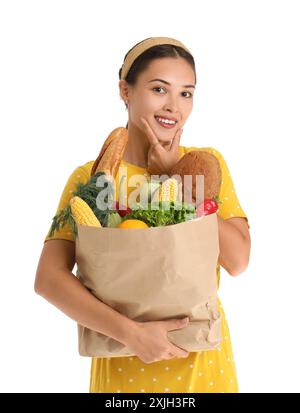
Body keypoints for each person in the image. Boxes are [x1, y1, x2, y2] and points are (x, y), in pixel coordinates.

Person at [34, 36, 251, 393]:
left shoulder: (205, 165)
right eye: (159, 89)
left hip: (202, 370)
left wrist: (178, 177)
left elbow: (237, 260)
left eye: (186, 93)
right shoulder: (93, 179)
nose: (173, 106)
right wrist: (132, 335)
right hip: (123, 374)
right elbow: (49, 279)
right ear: (126, 90)